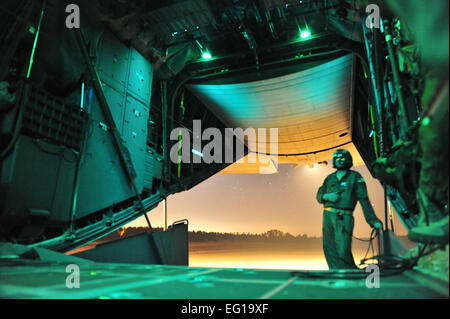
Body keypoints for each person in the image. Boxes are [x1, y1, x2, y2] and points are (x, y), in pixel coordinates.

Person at [316, 149, 383, 269]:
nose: (340, 161)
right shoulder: (329, 178)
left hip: (344, 217)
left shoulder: (355, 177)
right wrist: (327, 196)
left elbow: (364, 200)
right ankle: (335, 272)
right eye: (337, 159)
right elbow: (319, 196)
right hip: (327, 216)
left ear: (348, 160)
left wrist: (373, 221)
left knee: (343, 249)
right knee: (329, 247)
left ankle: (347, 271)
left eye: (342, 159)